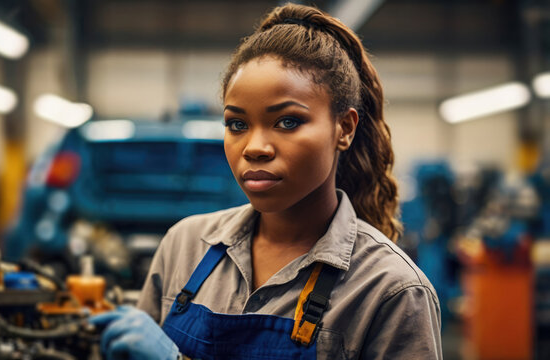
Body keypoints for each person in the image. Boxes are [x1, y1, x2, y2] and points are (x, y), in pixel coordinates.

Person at [90, 3, 442, 359]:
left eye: (287, 122)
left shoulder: (390, 290)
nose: (254, 148)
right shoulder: (185, 246)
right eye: (237, 124)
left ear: (344, 128)